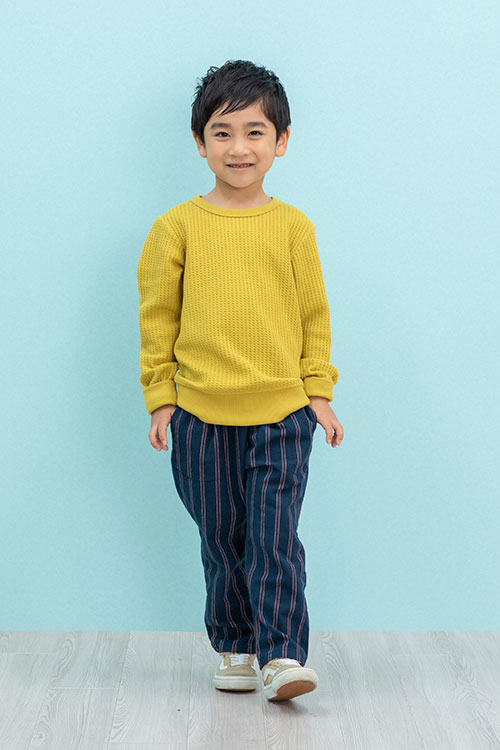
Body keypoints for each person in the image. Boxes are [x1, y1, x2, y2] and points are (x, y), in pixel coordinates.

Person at [137, 59, 344, 702]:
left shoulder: (294, 226)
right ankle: (236, 644)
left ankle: (282, 655)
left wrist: (319, 393)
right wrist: (161, 399)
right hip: (200, 418)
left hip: (283, 415)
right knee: (223, 539)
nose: (239, 147)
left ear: (281, 141)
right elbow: (157, 317)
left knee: (273, 537)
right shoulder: (175, 227)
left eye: (255, 132)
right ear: (199, 143)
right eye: (222, 133)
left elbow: (313, 315)